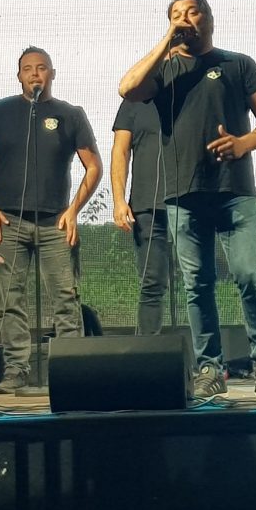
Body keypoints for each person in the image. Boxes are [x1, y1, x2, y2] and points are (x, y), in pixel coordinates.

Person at [119, 0, 256, 399]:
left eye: (192, 12)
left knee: (248, 274)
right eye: (176, 14)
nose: (184, 19)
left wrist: (243, 144)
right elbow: (127, 87)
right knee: (197, 284)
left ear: (209, 19)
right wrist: (166, 40)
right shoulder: (166, 72)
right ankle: (210, 367)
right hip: (182, 194)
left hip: (233, 191)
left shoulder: (237, 64)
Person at [0, 46, 102, 394]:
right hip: (8, 220)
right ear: (19, 76)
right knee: (11, 301)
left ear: (52, 74)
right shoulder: (0, 111)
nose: (34, 74)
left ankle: (72, 372)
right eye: (27, 69)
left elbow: (93, 166)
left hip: (56, 222)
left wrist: (74, 210)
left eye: (41, 68)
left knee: (65, 299)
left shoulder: (70, 114)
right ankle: (16, 370)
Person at [111, 97, 173, 335]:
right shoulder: (133, 101)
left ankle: (205, 354)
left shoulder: (191, 92)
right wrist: (119, 200)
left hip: (190, 202)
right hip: (147, 206)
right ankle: (148, 348)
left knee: (198, 281)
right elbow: (120, 150)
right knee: (152, 282)